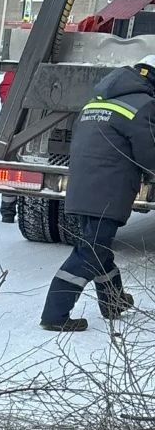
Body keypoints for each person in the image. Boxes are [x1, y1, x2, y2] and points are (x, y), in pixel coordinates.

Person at [40, 56, 155, 331]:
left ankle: (113, 302)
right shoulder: (144, 106)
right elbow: (148, 153)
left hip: (82, 186)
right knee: (89, 253)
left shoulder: (97, 101)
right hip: (108, 190)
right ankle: (54, 315)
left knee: (97, 249)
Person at [0, 68, 17, 223]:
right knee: (11, 164)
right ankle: (7, 209)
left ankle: (7, 210)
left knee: (10, 163)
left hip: (13, 119)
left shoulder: (17, 68)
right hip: (16, 119)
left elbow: (6, 90)